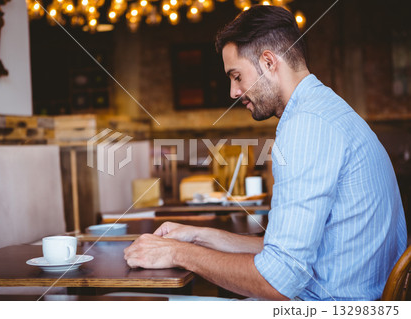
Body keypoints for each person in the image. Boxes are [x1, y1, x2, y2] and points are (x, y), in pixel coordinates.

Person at [124, 5, 407, 301]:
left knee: (148, 305)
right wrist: (197, 236)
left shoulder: (306, 126)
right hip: (354, 296)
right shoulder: (327, 110)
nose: (233, 92)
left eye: (237, 76)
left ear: (269, 63)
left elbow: (278, 281)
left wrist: (177, 253)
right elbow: (284, 250)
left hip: (331, 306)